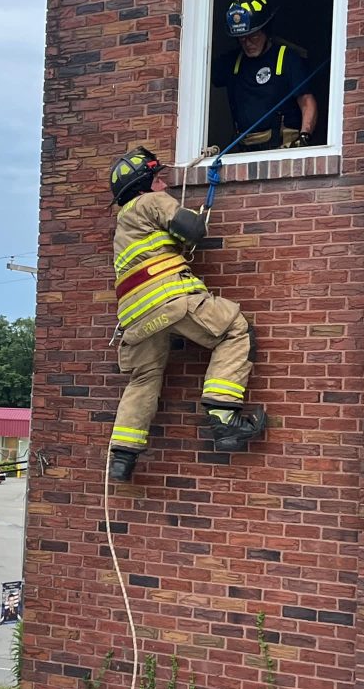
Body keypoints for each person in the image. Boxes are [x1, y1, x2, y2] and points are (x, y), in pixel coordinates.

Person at [107, 146, 266, 482]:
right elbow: (193, 230)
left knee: (144, 379)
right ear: (145, 182)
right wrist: (197, 214)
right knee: (235, 330)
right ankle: (224, 420)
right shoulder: (150, 202)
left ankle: (122, 456)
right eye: (159, 179)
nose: (164, 185)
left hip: (134, 318)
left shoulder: (122, 226)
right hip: (171, 299)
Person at [211, 0, 318, 152]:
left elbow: (307, 101)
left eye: (253, 37)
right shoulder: (233, 62)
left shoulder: (286, 58)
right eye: (242, 38)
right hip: (245, 150)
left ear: (266, 31)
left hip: (281, 148)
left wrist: (304, 136)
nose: (247, 44)